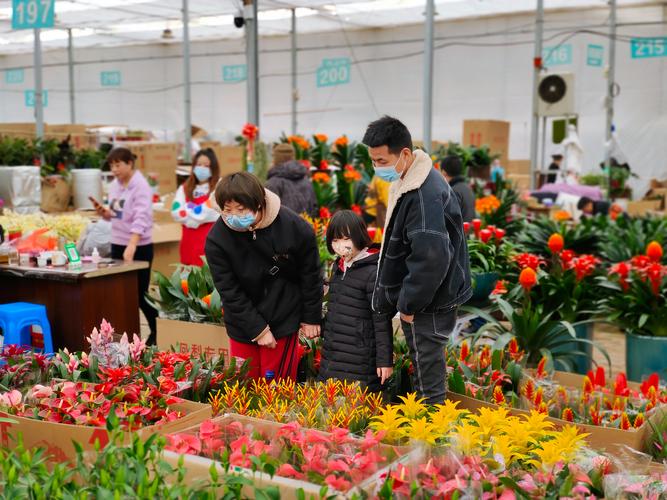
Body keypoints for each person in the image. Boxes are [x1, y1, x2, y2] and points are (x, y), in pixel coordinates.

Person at [363, 116, 472, 405]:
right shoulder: (410, 180)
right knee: (423, 366)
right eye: (373, 161)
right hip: (427, 301)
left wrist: (409, 304)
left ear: (405, 154)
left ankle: (432, 440)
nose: (377, 167)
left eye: (382, 160)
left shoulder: (424, 195)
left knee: (428, 379)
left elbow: (431, 259)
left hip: (429, 304)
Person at [204, 172, 323, 381]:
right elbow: (229, 290)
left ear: (258, 204)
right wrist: (258, 329)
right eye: (227, 210)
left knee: (277, 388)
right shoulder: (217, 239)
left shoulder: (294, 227)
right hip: (242, 323)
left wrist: (311, 317)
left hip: (282, 315)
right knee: (245, 384)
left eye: (241, 210)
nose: (234, 216)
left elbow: (310, 274)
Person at [318, 210, 393, 392]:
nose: (340, 246)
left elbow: (381, 319)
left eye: (345, 239)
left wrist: (385, 361)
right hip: (334, 352)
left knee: (355, 406)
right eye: (335, 240)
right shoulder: (339, 267)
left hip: (359, 355)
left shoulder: (372, 272)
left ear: (358, 236)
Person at [94, 148, 157, 344]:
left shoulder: (141, 186)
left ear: (130, 163)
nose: (114, 169)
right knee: (120, 292)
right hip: (118, 243)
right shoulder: (115, 185)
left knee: (139, 294)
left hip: (139, 245)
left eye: (118, 164)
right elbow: (116, 212)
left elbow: (142, 216)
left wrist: (132, 244)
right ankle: (123, 337)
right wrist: (105, 213)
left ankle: (156, 330)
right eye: (112, 165)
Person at [171, 148, 221, 265]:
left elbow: (211, 210)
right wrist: (198, 213)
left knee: (208, 278)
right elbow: (176, 211)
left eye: (206, 165)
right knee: (187, 279)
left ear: (213, 167)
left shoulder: (219, 187)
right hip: (188, 243)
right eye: (199, 164)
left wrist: (188, 211)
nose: (202, 168)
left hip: (211, 242)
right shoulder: (185, 187)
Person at [265, 143, 318, 216]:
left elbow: (269, 213)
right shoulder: (306, 180)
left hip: (283, 226)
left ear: (276, 159)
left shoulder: (273, 183)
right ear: (293, 157)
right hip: (306, 224)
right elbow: (314, 207)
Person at [440, 155, 476, 223]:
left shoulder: (453, 191)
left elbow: (449, 221)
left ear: (444, 173)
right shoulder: (467, 187)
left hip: (461, 232)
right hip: (470, 230)